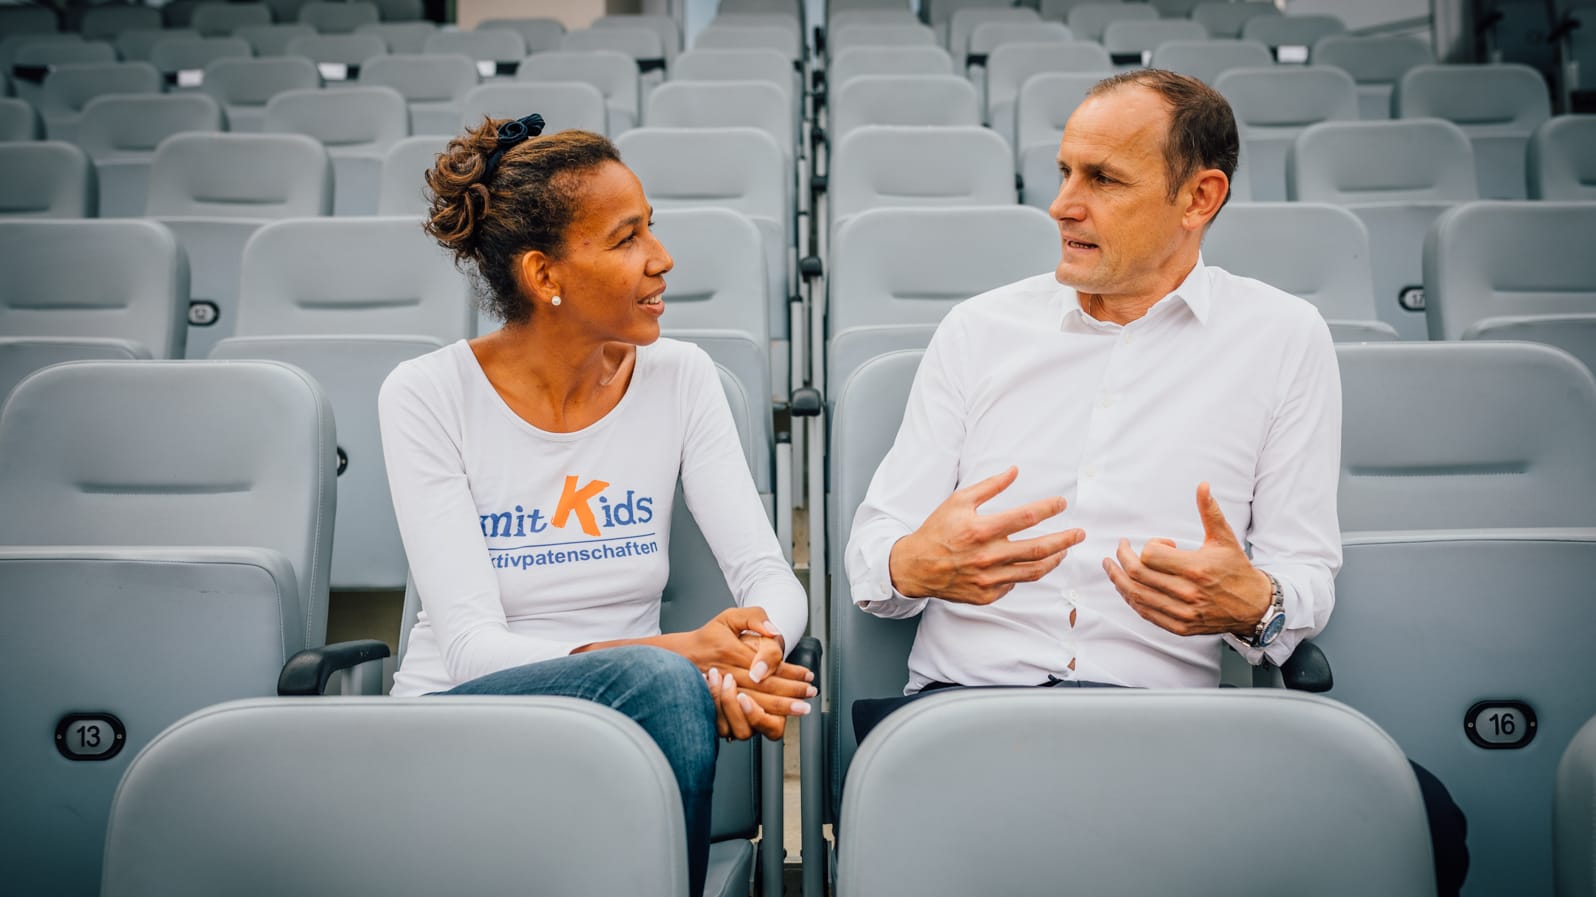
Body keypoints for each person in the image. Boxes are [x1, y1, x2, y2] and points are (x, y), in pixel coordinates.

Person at [844, 71, 1468, 894]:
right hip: (966, 713)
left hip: (1166, 723)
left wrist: (1252, 603)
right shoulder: (978, 332)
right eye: (1065, 171)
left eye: (1101, 179)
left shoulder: (1282, 338)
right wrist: (916, 564)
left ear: (1198, 197)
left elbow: (1304, 571)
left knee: (1420, 817)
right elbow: (869, 556)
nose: (1064, 204)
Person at [378, 114, 812, 897]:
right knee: (661, 686)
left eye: (653, 229)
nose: (662, 259)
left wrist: (751, 657)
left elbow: (768, 577)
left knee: (663, 690)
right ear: (546, 275)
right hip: (463, 727)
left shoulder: (683, 377)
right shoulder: (427, 394)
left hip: (633, 732)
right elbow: (472, 648)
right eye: (626, 239)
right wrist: (679, 659)